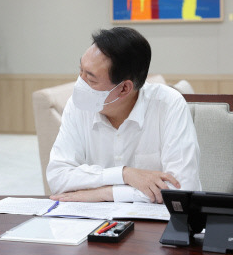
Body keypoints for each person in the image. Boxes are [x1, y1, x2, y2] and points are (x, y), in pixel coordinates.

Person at [46, 27, 201, 204]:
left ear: (124, 88)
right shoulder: (77, 106)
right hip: (96, 221)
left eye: (90, 79)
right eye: (80, 70)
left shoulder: (168, 105)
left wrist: (103, 194)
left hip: (158, 224)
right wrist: (125, 174)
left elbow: (181, 190)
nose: (80, 83)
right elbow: (58, 177)